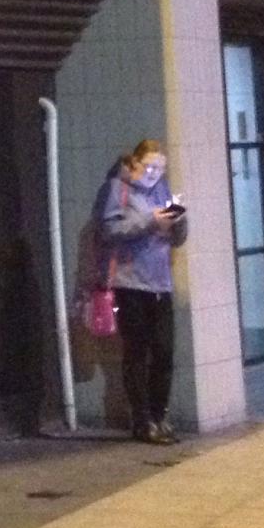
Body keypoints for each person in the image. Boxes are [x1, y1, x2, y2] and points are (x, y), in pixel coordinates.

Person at [98, 138, 188, 443]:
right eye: (149, 166)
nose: (154, 173)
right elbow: (109, 231)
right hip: (130, 282)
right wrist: (151, 221)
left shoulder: (163, 188)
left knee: (164, 352)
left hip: (160, 282)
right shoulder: (117, 189)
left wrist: (179, 220)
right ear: (135, 163)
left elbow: (177, 240)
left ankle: (160, 415)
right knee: (137, 351)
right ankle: (142, 420)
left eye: (160, 168)